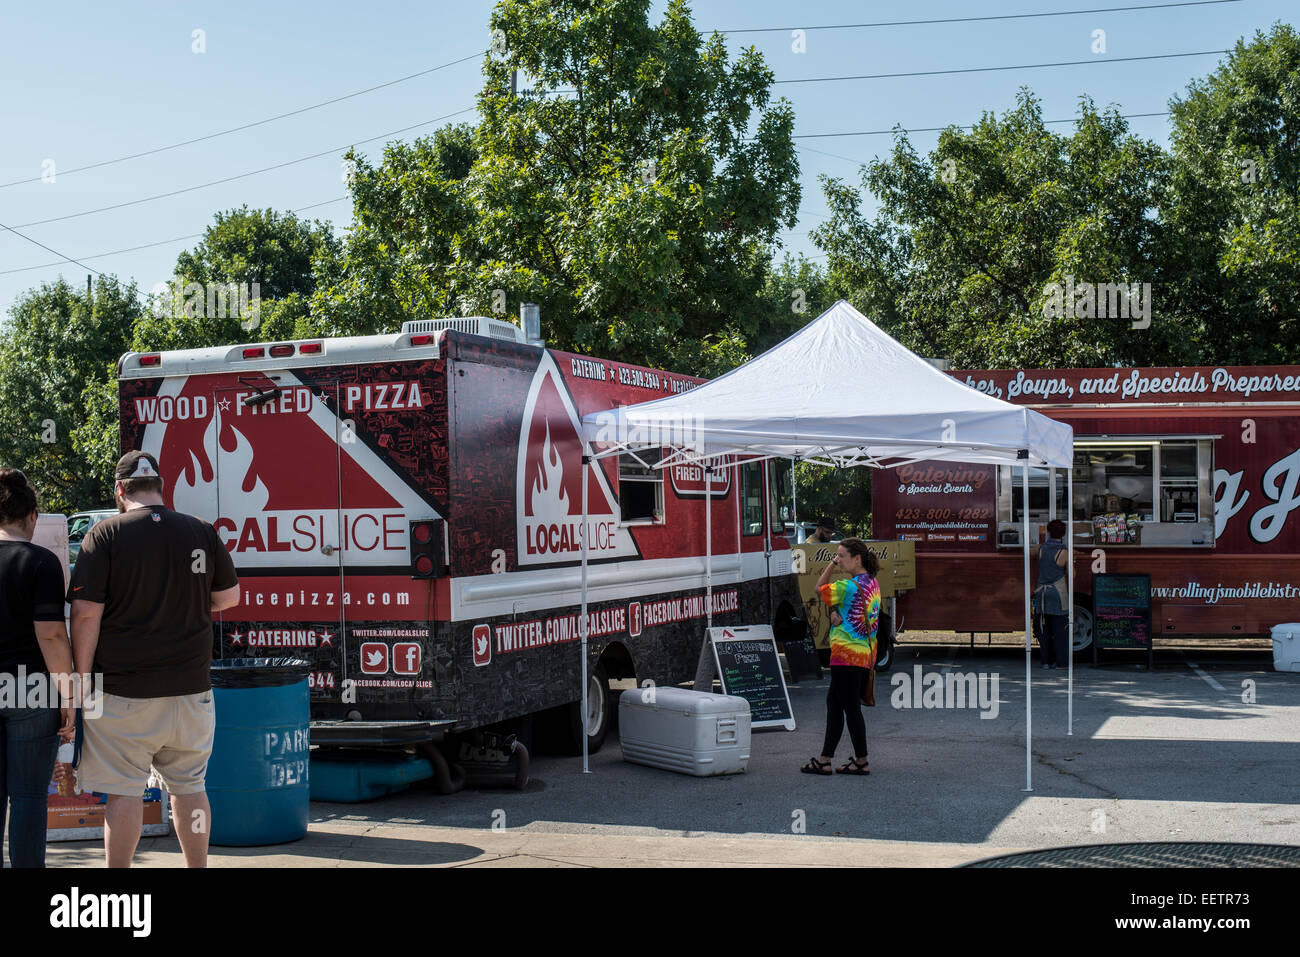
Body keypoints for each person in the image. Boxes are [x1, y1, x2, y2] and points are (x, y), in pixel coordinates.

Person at [68, 451, 239, 868]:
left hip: (124, 692)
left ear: (120, 490)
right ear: (161, 488)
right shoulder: (200, 531)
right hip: (191, 689)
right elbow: (229, 598)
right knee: (190, 788)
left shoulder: (104, 535)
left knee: (124, 792)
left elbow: (86, 613)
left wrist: (80, 680)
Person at [0, 468, 75, 867]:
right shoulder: (42, 562)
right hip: (30, 690)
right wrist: (70, 696)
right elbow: (51, 635)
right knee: (28, 796)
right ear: (31, 517)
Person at [801, 538, 880, 776]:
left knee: (850, 709)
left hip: (846, 655)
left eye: (841, 555)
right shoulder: (872, 584)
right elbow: (844, 607)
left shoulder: (848, 586)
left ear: (857, 558)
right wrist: (835, 612)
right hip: (864, 655)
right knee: (835, 705)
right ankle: (825, 759)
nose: (838, 559)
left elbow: (818, 588)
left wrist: (830, 565)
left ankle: (862, 760)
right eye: (837, 556)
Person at [1032, 519, 1070, 669]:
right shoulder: (1064, 552)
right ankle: (1061, 662)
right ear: (1063, 534)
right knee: (1060, 630)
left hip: (1041, 592)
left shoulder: (1040, 548)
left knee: (1043, 629)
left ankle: (1046, 661)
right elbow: (1071, 574)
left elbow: (1027, 552)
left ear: (1048, 532)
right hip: (1058, 593)